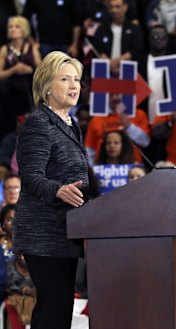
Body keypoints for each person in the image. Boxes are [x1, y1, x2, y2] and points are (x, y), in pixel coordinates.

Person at [13, 51, 87, 329]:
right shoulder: (39, 124)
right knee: (53, 309)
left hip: (66, 232)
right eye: (65, 79)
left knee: (61, 310)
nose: (74, 85)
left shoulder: (71, 124)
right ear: (46, 86)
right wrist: (58, 190)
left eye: (77, 79)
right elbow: (31, 177)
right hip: (43, 234)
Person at [0, 16, 40, 140]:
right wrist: (14, 69)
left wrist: (30, 70)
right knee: (8, 128)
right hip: (9, 94)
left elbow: (42, 71)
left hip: (27, 94)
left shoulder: (32, 48)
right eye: (11, 27)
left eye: (16, 27)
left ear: (24, 30)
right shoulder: (5, 49)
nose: (12, 29)